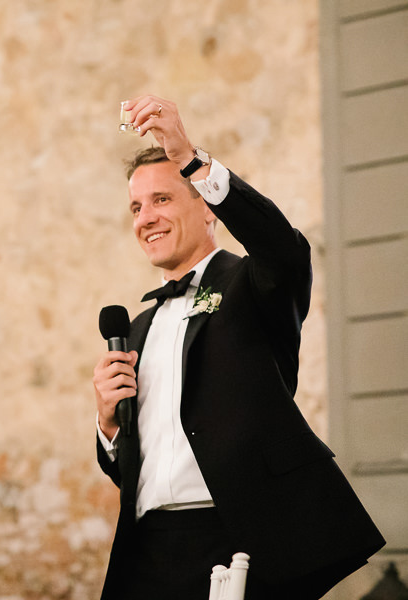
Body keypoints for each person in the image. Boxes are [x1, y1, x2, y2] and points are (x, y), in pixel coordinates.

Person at [92, 95, 385, 600]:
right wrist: (108, 427)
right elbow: (137, 464)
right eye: (137, 207)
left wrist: (189, 158)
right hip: (146, 555)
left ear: (205, 206)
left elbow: (281, 246)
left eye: (162, 199)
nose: (145, 218)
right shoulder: (137, 328)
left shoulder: (253, 285)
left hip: (234, 546)